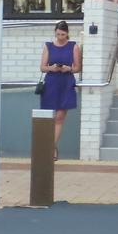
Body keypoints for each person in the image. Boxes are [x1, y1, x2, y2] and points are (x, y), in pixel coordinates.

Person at [40, 21, 82, 160]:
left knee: (59, 117)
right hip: (52, 82)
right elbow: (42, 67)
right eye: (58, 34)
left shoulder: (73, 46)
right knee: (49, 117)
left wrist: (68, 68)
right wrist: (52, 68)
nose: (60, 37)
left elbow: (77, 67)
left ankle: (51, 147)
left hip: (66, 82)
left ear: (67, 33)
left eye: (63, 34)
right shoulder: (48, 46)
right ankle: (51, 146)